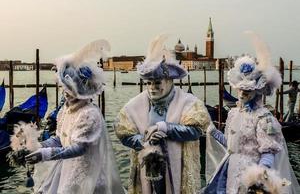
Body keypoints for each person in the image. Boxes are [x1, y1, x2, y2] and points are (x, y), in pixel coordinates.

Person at [114, 35, 211, 194]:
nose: (152, 87)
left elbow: (196, 131)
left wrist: (166, 128)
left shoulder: (188, 102)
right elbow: (124, 134)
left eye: (157, 82)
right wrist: (145, 142)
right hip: (147, 169)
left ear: (169, 81)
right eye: (149, 83)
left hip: (177, 167)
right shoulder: (135, 104)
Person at [25, 40, 124, 194]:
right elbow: (59, 139)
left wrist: (45, 154)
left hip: (88, 174)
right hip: (66, 168)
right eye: (64, 89)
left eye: (69, 90)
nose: (65, 94)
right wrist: (36, 147)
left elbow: (80, 147)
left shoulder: (90, 114)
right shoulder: (65, 110)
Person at [205, 53, 300, 193]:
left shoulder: (264, 118)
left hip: (250, 174)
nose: (242, 93)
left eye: (247, 90)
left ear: (257, 91)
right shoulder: (233, 113)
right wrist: (213, 131)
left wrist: (259, 176)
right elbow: (231, 145)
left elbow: (268, 152)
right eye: (241, 89)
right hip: (231, 171)